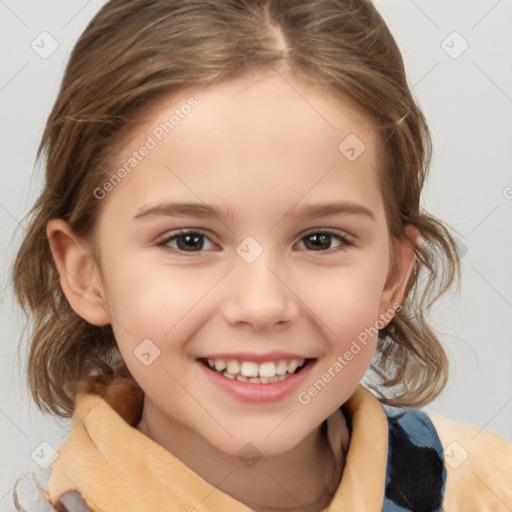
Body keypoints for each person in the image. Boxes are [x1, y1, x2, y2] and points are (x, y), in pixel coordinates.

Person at [10, 0, 512, 510]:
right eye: (189, 240)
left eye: (320, 240)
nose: (261, 305)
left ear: (393, 277)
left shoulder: (491, 490)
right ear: (85, 273)